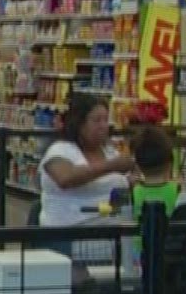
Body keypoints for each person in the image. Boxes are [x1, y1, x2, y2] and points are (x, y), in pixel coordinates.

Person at [40, 96, 135, 258]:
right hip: (70, 236)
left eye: (106, 120)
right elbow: (65, 178)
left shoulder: (110, 152)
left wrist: (131, 182)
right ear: (79, 123)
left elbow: (119, 194)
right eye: (96, 120)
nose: (103, 126)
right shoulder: (61, 150)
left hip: (113, 234)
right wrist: (111, 166)